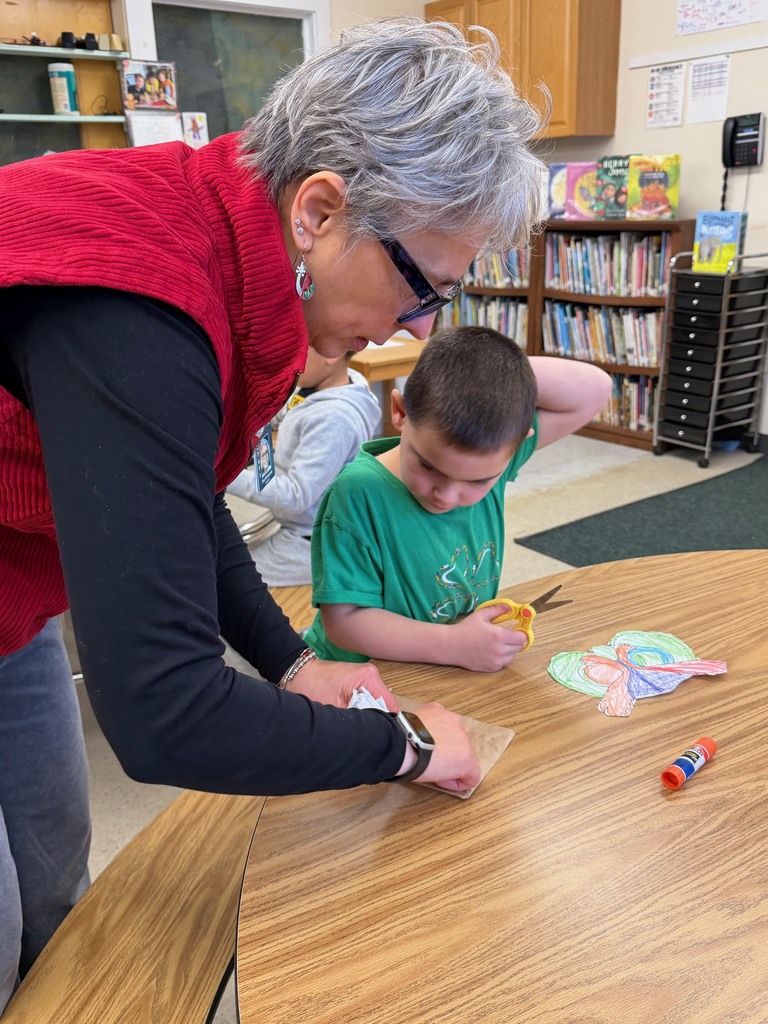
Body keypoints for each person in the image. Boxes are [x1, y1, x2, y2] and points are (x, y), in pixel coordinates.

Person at [0, 17, 548, 1009]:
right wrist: (406, 748)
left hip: (15, 589)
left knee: (52, 876)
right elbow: (164, 714)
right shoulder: (145, 296)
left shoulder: (231, 239)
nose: (417, 329)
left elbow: (181, 498)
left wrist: (294, 663)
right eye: (421, 287)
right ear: (322, 210)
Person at [304, 326, 611, 672]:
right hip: (359, 677)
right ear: (400, 413)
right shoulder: (357, 493)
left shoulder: (496, 451)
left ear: (515, 449)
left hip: (440, 669)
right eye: (428, 466)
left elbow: (596, 389)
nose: (447, 495)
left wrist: (494, 375)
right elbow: (344, 623)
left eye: (478, 481)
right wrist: (452, 644)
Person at [227, 347, 381, 586]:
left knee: (225, 575)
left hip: (311, 543)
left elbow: (295, 496)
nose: (288, 361)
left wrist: (225, 475)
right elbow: (277, 414)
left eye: (297, 351)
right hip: (297, 522)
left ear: (332, 352)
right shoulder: (321, 386)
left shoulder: (333, 419)